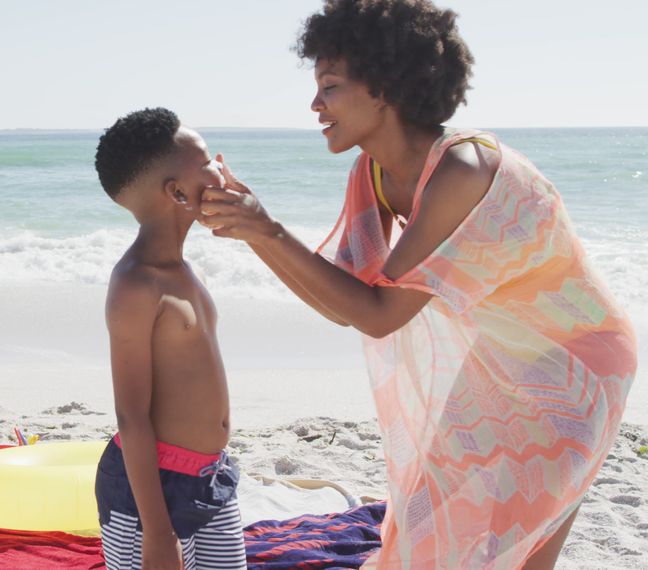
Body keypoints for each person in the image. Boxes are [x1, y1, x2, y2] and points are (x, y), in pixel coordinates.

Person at [199, 1, 637, 568]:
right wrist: (253, 232)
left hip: (580, 359)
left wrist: (266, 227)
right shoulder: (372, 172)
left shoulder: (463, 170)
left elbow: (382, 314)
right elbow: (348, 306)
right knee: (430, 518)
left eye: (329, 87)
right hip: (505, 351)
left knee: (515, 547)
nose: (314, 104)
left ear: (384, 87)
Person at [92, 107, 247, 570]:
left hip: (210, 478)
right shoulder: (137, 283)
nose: (220, 166)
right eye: (206, 162)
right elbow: (132, 414)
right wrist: (157, 533)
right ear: (177, 191)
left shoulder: (184, 270)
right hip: (149, 495)